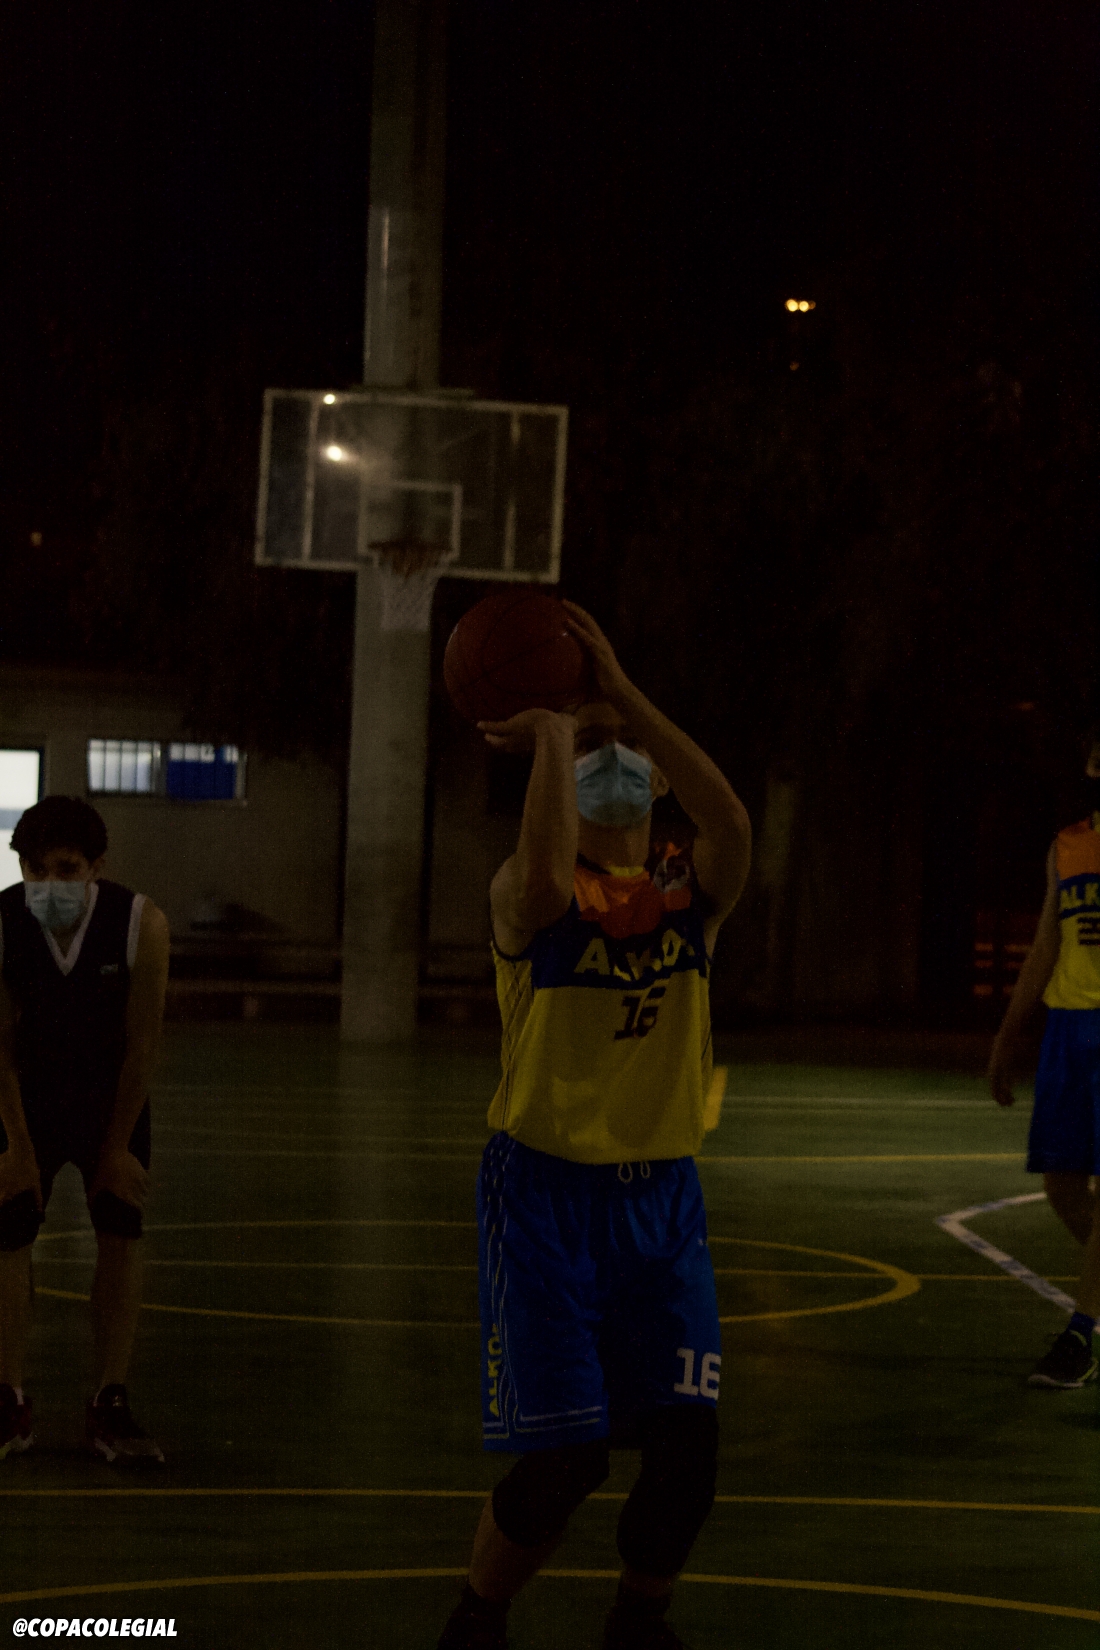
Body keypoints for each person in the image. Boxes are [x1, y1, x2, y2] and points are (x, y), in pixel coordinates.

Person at [438, 603, 752, 1650]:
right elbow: (537, 875)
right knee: (567, 1460)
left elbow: (730, 822)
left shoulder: (688, 896)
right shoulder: (530, 896)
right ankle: (477, 1618)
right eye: (583, 750)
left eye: (619, 749)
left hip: (660, 1201)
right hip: (543, 1194)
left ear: (655, 777)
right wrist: (554, 736)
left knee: (687, 1451)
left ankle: (637, 1624)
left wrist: (622, 696)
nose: (602, 758)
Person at [0, 795, 170, 1462]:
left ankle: (110, 1400)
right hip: (26, 1097)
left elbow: (142, 1046)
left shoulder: (140, 923)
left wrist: (117, 1147)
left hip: (109, 1098)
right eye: (35, 870)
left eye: (65, 869)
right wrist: (17, 1147)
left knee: (121, 1230)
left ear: (97, 867)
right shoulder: (4, 922)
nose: (49, 885)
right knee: (9, 1230)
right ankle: (8, 1397)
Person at [988, 728, 1100, 1389]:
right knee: (1062, 1187)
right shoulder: (1068, 845)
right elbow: (1044, 946)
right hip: (1068, 1029)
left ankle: (1080, 1335)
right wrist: (1008, 1036)